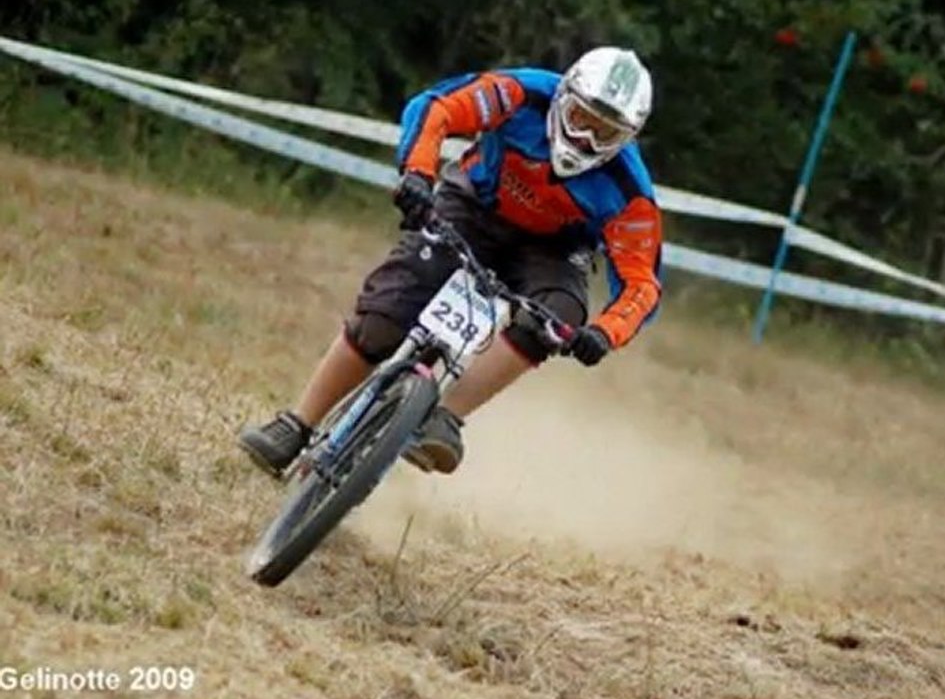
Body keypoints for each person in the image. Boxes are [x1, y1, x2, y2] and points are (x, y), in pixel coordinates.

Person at [239, 46, 663, 477]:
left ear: (627, 139)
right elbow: (438, 109)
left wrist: (604, 334)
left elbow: (641, 284)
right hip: (474, 206)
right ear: (563, 97)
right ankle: (295, 424)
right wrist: (418, 174)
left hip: (551, 252)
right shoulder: (520, 92)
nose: (586, 140)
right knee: (385, 316)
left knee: (559, 315)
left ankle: (447, 418)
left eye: (604, 134)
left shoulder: (631, 191)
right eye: (580, 119)